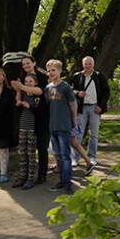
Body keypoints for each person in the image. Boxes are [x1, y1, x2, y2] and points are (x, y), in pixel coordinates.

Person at [11, 55, 50, 184]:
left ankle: (42, 174)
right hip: (26, 118)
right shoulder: (22, 79)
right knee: (26, 149)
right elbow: (19, 97)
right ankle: (24, 175)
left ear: (34, 63)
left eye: (28, 63)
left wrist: (21, 87)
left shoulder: (42, 77)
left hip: (41, 117)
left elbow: (40, 91)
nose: (26, 66)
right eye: (23, 64)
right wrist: (18, 89)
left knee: (41, 147)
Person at [70, 56, 110, 168]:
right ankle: (75, 158)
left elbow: (106, 92)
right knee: (78, 134)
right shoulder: (77, 76)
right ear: (83, 65)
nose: (87, 66)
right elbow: (71, 90)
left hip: (95, 108)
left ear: (93, 64)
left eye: (89, 64)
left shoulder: (100, 76)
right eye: (85, 64)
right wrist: (78, 93)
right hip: (82, 108)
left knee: (94, 134)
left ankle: (92, 157)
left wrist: (100, 106)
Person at [45, 59, 78, 194]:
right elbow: (49, 107)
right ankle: (62, 180)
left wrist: (74, 121)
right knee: (58, 155)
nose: (51, 73)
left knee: (65, 155)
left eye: (53, 70)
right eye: (49, 71)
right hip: (53, 126)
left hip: (64, 126)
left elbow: (73, 105)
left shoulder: (65, 87)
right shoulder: (48, 88)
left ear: (60, 71)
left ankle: (67, 183)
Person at [13, 73, 41, 189]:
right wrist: (19, 92)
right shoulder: (24, 93)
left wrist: (29, 106)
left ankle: (30, 178)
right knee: (22, 153)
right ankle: (22, 176)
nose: (28, 83)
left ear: (35, 83)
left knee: (31, 154)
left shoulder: (37, 94)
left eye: (30, 81)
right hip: (23, 125)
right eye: (26, 81)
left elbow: (39, 110)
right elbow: (17, 101)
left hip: (32, 127)